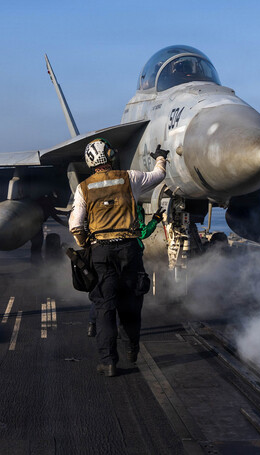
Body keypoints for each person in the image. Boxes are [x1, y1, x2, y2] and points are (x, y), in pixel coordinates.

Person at [70, 138, 168, 377]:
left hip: (101, 252)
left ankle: (108, 362)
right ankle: (132, 350)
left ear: (90, 162)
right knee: (131, 304)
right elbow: (158, 176)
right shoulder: (130, 178)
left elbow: (75, 225)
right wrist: (161, 157)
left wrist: (86, 245)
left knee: (104, 308)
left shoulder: (83, 188)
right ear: (111, 156)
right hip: (128, 250)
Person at [86, 203, 165, 338]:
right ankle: (123, 332)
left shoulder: (101, 205)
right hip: (128, 255)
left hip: (103, 252)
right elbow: (143, 233)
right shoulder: (134, 207)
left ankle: (92, 324)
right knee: (127, 293)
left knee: (103, 291)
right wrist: (155, 220)